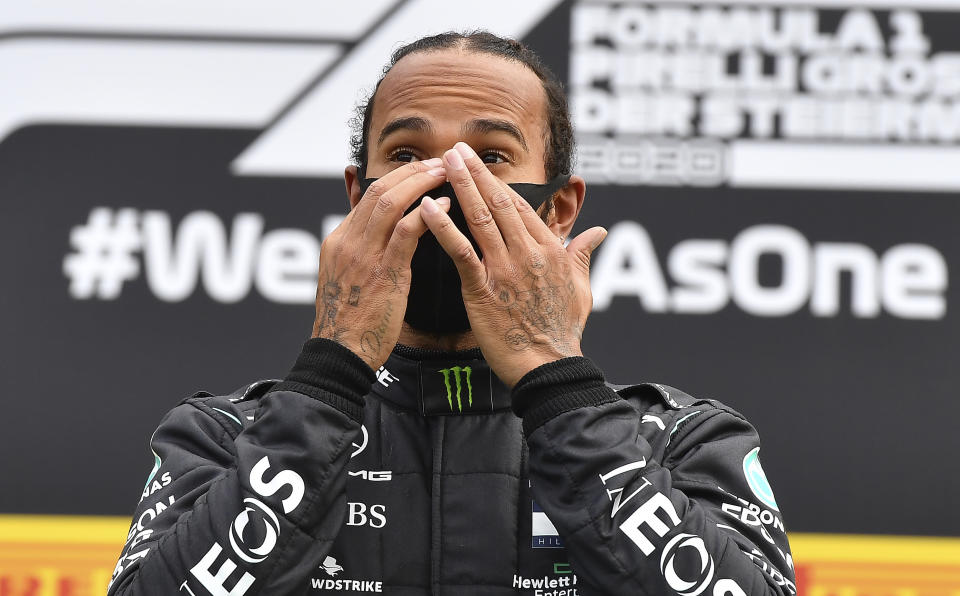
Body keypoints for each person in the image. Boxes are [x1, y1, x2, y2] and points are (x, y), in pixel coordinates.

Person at [108, 31, 796, 596]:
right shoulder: (225, 435)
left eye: (490, 159)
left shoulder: (678, 441)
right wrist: (331, 369)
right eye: (407, 156)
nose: (446, 186)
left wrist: (558, 382)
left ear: (557, 209)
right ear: (359, 197)